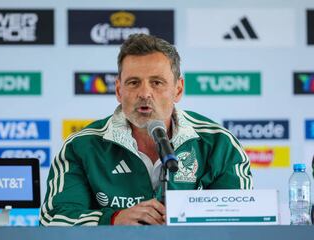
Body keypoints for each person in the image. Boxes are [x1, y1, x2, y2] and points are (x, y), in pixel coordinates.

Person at [40, 34, 253, 226]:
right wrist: (112, 219)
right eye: (133, 83)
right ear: (118, 90)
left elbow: (244, 220)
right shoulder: (81, 146)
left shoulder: (219, 144)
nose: (145, 93)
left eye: (157, 82)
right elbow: (53, 219)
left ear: (178, 89)